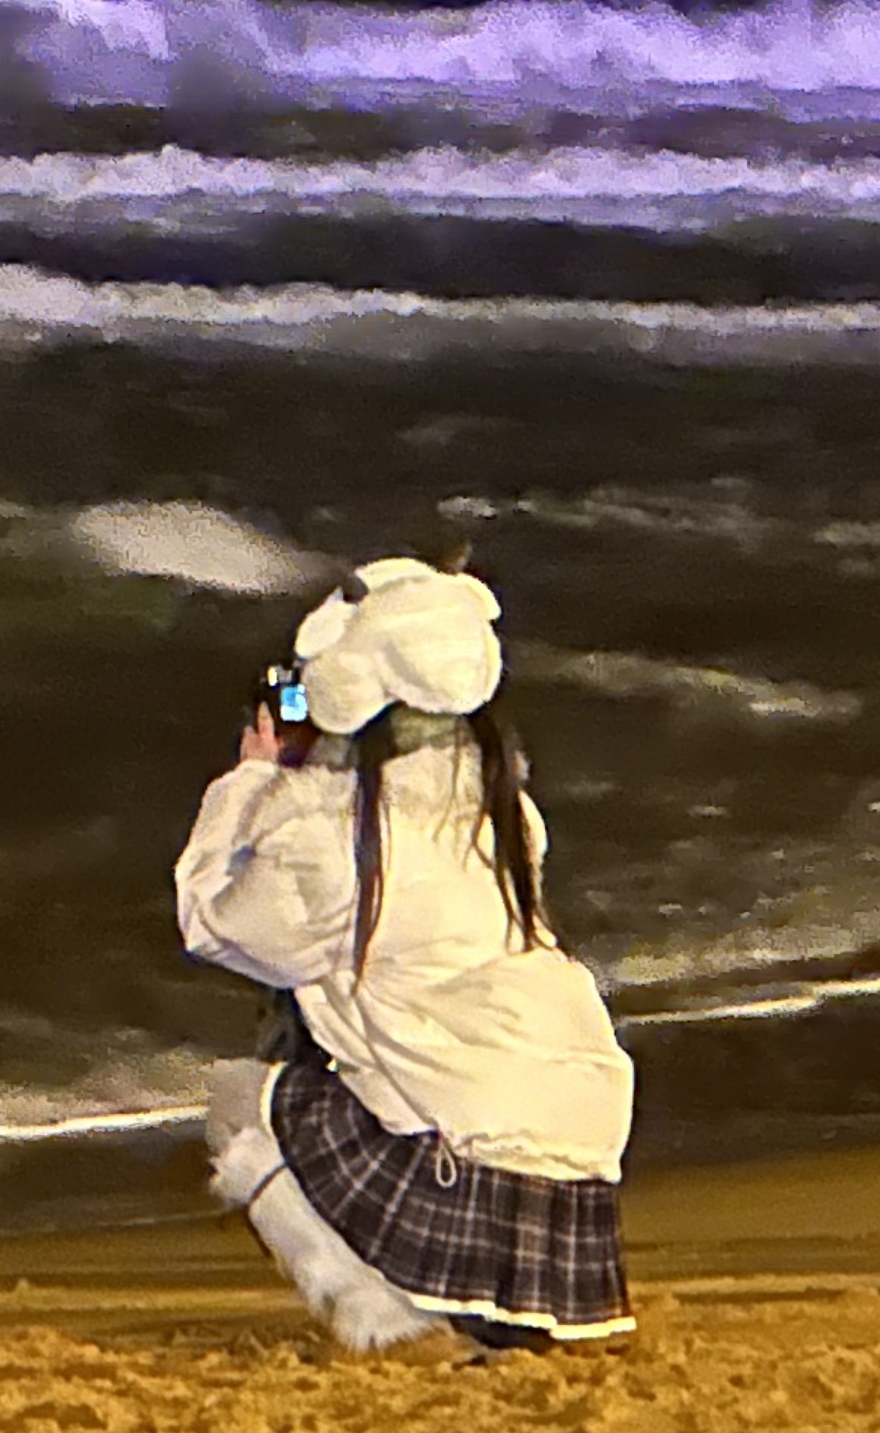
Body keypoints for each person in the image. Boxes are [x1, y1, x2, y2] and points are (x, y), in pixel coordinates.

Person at [174, 556, 636, 1352]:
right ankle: (467, 1309)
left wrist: (250, 785)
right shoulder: (507, 815)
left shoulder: (339, 838)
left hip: (466, 1173)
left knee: (237, 1100)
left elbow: (213, 924)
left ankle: (380, 1320)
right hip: (572, 1185)